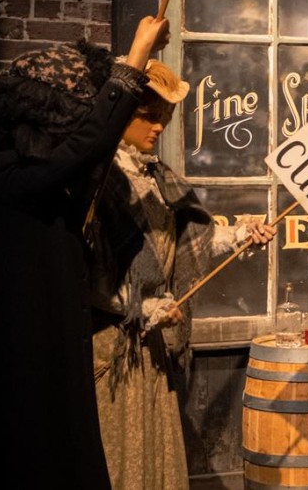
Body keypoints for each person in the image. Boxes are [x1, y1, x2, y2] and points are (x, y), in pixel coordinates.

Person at [0, 17, 169, 488]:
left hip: (49, 349)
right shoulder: (7, 172)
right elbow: (86, 146)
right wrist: (132, 60)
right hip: (18, 365)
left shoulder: (46, 176)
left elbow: (87, 150)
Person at [87, 59, 276, 490]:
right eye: (148, 117)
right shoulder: (101, 181)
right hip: (113, 349)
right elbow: (87, 271)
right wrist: (146, 307)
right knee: (120, 455)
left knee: (157, 454)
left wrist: (244, 234)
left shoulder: (158, 177)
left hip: (153, 348)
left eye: (164, 119)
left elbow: (194, 241)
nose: (158, 128)